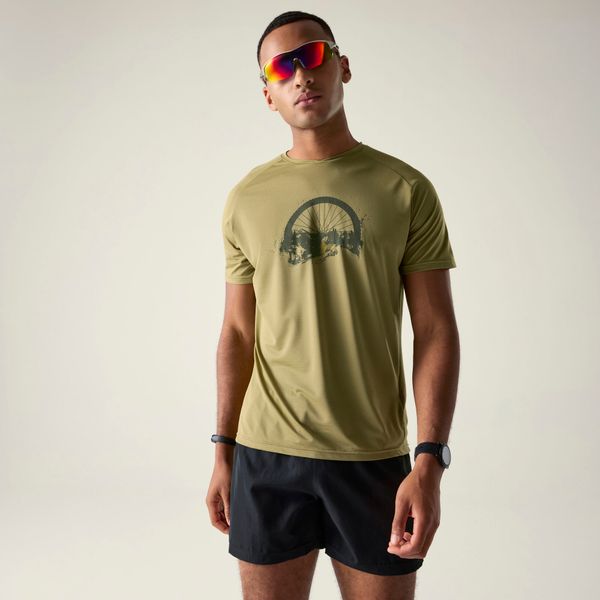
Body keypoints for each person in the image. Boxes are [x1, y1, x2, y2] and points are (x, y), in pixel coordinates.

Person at [206, 10, 460, 600]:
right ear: (268, 94)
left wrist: (429, 461)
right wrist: (223, 450)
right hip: (266, 456)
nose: (300, 75)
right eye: (281, 67)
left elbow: (435, 330)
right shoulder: (246, 199)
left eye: (313, 56)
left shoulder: (406, 189)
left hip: (371, 457)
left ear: (342, 66)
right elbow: (237, 333)